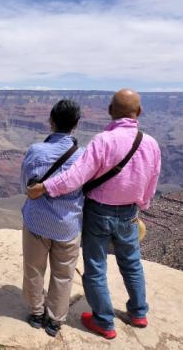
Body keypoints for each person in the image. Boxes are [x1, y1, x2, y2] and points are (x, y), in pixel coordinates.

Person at [27, 89, 161, 339]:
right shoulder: (151, 143)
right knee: (132, 263)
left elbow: (76, 177)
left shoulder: (103, 141)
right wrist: (140, 206)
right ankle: (138, 313)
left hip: (99, 212)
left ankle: (104, 321)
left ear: (110, 111)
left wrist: (45, 187)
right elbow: (151, 181)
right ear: (139, 112)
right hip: (130, 212)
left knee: (96, 266)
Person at [20, 99, 84, 337]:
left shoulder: (36, 151)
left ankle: (36, 313)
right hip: (68, 225)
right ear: (76, 124)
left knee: (34, 269)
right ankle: (55, 320)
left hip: (37, 222)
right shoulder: (84, 156)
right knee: (63, 274)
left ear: (51, 121)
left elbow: (25, 187)